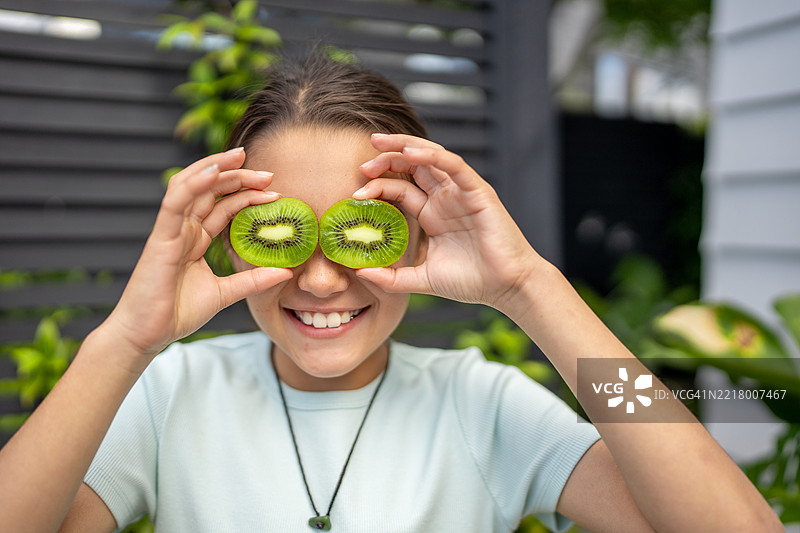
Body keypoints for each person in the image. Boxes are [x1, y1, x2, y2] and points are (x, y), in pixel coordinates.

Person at [0, 53, 781, 533]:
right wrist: (124, 341)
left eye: (355, 230)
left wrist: (531, 286)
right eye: (285, 234)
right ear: (233, 234)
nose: (318, 277)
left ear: (412, 231)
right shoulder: (171, 394)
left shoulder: (485, 405)